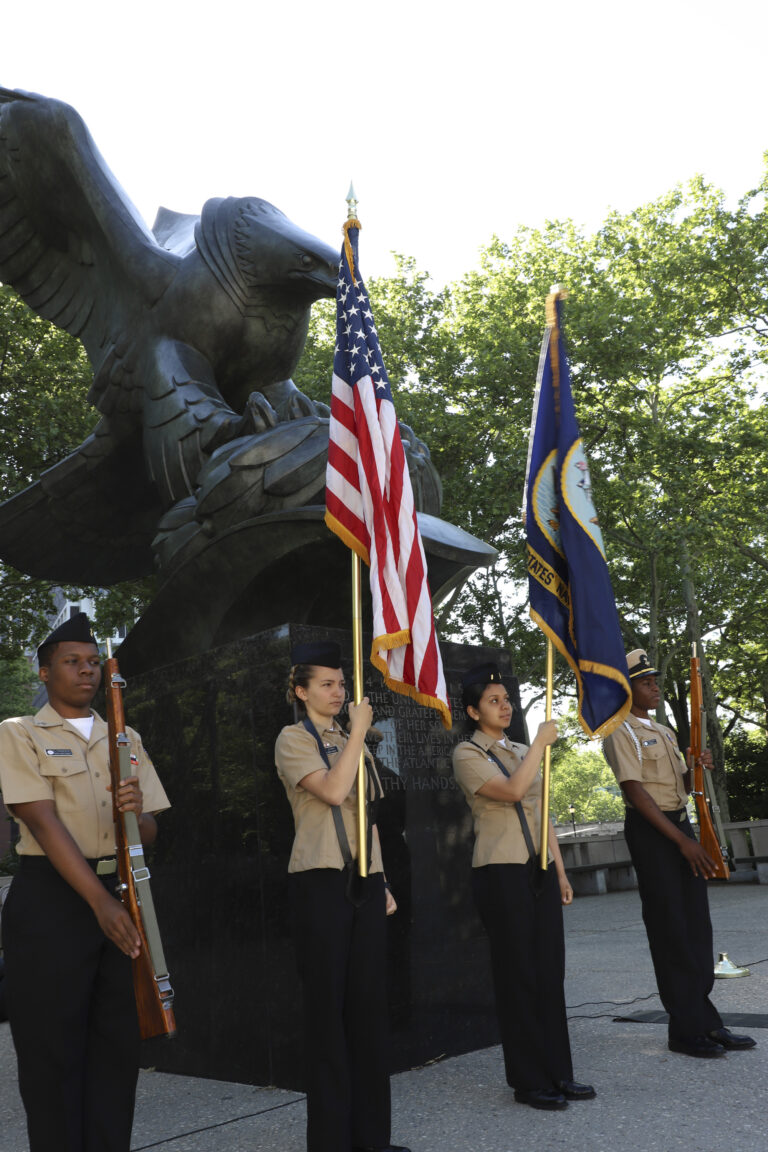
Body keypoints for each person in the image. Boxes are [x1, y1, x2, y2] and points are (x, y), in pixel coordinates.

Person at [0, 612, 170, 1152]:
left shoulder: (125, 735)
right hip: (53, 902)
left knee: (115, 1052)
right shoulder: (19, 734)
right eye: (72, 662)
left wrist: (135, 810)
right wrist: (100, 905)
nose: (86, 671)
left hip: (119, 897)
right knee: (52, 1056)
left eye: (94, 662)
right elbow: (42, 822)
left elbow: (149, 830)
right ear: (45, 672)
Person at [274, 640, 409, 1152]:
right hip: (320, 882)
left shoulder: (354, 740)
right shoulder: (293, 738)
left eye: (342, 683)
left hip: (365, 881)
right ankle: (332, 1141)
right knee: (328, 1019)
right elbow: (331, 792)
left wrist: (383, 879)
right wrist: (355, 732)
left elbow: (366, 816)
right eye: (326, 684)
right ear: (300, 690)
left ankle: (372, 1138)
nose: (338, 692)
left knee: (369, 1013)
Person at [452, 662, 595, 1111]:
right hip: (502, 870)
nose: (505, 706)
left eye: (507, 700)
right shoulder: (467, 753)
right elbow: (514, 792)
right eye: (494, 701)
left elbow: (542, 810)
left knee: (550, 972)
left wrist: (560, 870)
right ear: (474, 711)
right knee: (519, 976)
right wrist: (539, 746)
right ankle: (529, 1081)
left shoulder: (519, 748)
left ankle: (559, 1072)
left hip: (538, 869)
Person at [602, 648, 756, 1058]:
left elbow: (681, 789)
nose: (655, 687)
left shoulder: (665, 731)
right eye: (647, 682)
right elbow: (636, 793)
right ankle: (684, 1031)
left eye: (655, 681)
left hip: (679, 826)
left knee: (696, 927)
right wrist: (682, 841)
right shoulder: (620, 731)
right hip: (655, 834)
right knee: (670, 930)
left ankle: (706, 1022)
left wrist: (696, 768)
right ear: (627, 689)